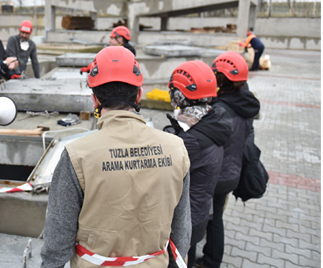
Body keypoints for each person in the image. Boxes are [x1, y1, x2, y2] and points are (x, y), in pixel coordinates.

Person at [41, 46, 191, 268]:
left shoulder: (77, 155)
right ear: (138, 94)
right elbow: (181, 233)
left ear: (94, 100)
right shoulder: (176, 148)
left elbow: (57, 240)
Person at [195, 52, 260, 268]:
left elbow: (206, 142)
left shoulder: (220, 109)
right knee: (216, 217)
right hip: (233, 171)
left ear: (221, 78)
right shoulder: (245, 102)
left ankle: (210, 261)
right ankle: (212, 257)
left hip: (216, 174)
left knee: (206, 218)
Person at [165, 61, 233, 268]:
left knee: (178, 261)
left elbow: (162, 175)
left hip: (185, 219)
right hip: (199, 211)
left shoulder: (191, 140)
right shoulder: (212, 120)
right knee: (189, 256)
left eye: (173, 91)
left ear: (180, 96)